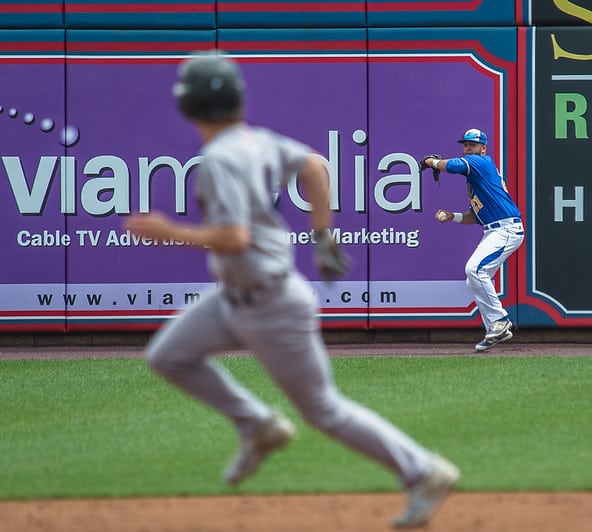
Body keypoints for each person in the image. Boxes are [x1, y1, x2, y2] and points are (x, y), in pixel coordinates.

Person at [124, 51, 458, 529]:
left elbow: (235, 236)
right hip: (236, 298)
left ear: (188, 107)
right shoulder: (254, 139)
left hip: (271, 304)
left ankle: (423, 471)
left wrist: (167, 231)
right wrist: (322, 234)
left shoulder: (219, 159)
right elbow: (315, 166)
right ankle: (256, 424)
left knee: (324, 410)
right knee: (167, 355)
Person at [421, 129, 525, 352]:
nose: (468, 148)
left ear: (483, 148)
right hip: (494, 229)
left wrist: (432, 161)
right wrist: (452, 217)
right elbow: (475, 216)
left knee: (474, 270)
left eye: (472, 144)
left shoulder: (482, 162)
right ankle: (495, 329)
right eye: (465, 145)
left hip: (506, 228)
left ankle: (500, 320)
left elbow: (452, 166)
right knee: (475, 277)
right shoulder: (475, 179)